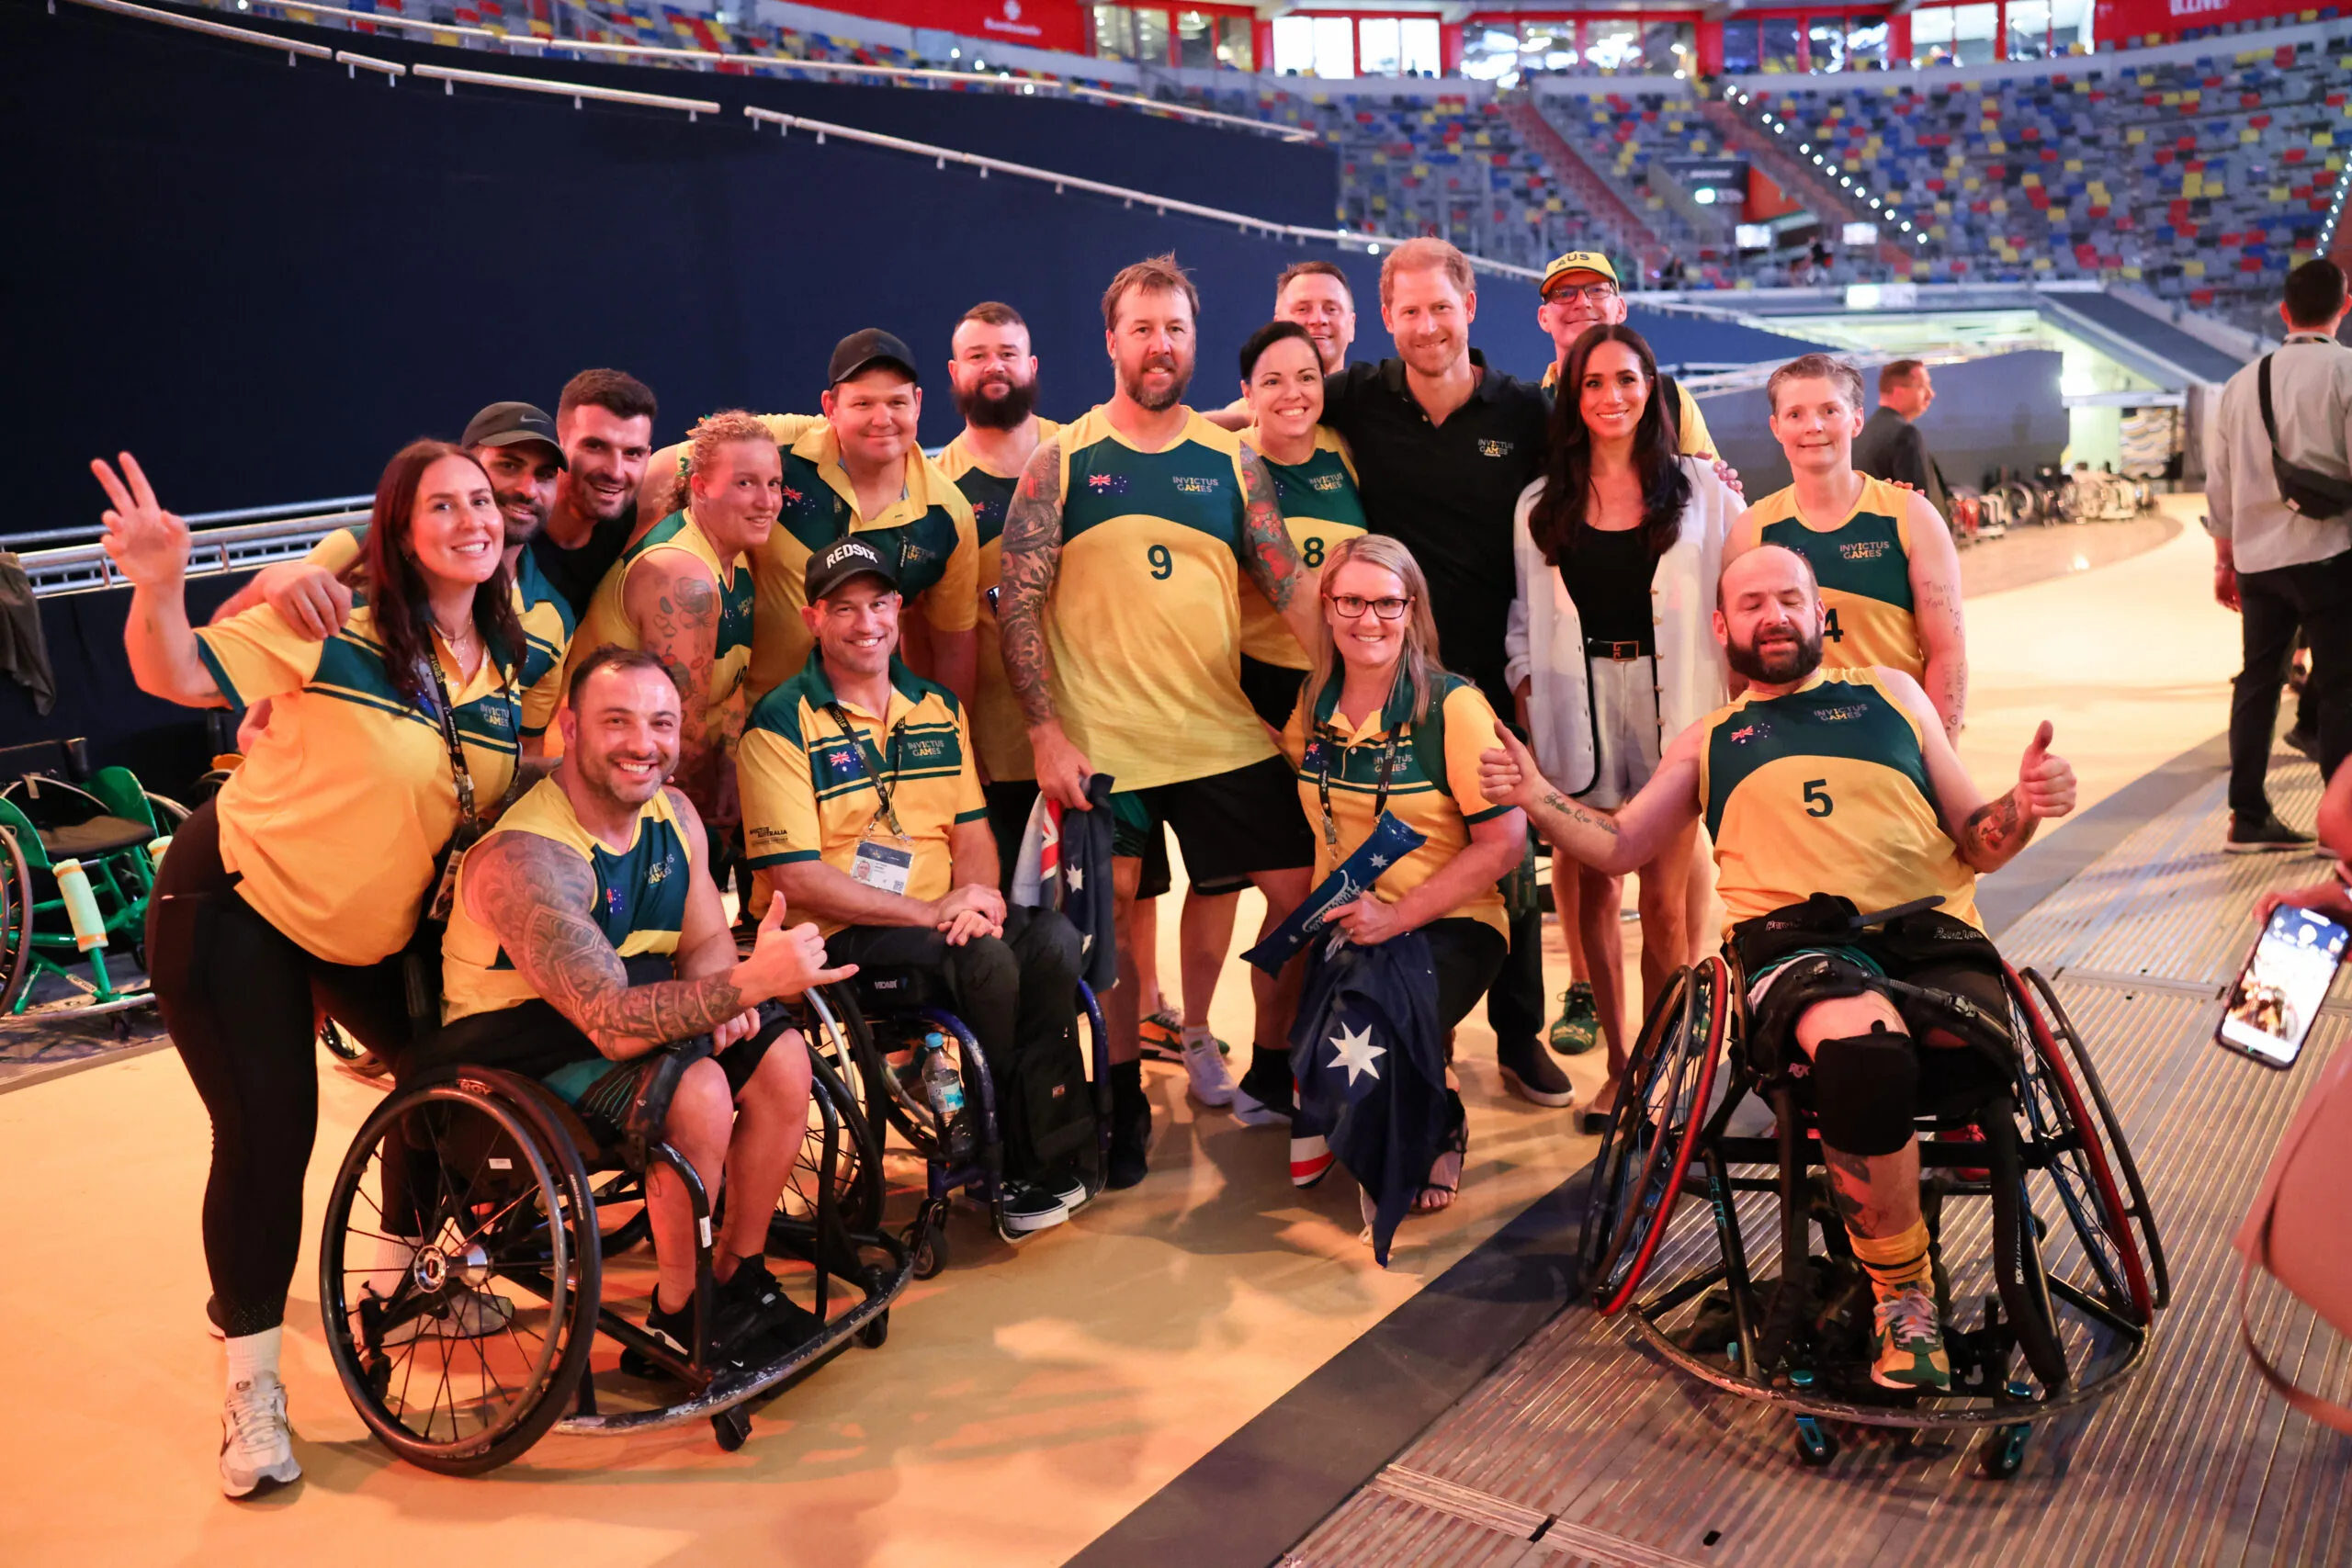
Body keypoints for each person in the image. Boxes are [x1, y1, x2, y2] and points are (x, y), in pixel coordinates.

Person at [1478, 543, 2078, 1393]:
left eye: (1790, 599)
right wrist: (1532, 792)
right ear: (1722, 626)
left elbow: (1979, 839)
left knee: (1957, 1044)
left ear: (1819, 614)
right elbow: (1618, 845)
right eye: (1753, 603)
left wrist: (2025, 804)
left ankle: (1891, 1214)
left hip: (1932, 937)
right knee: (1866, 1052)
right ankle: (1903, 1295)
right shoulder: (1710, 739)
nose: (1774, 615)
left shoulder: (1893, 693)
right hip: (1803, 954)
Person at [96, 441, 527, 1498]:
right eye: (442, 505)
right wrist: (159, 583)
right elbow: (173, 671)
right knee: (268, 1137)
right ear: (400, 532)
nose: (472, 518)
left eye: (481, 500)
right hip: (236, 902)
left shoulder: (510, 658)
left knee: (449, 1077)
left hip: (367, 932)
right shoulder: (332, 626)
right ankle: (251, 1388)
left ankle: (396, 1280)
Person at [998, 253, 1320, 1183]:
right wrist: (1046, 733)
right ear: (1111, 341)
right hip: (1106, 745)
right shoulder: (1062, 461)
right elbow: (1017, 605)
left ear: (1193, 341)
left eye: (1175, 328)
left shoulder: (1232, 460)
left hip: (1218, 731)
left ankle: (1275, 1066)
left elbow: (1292, 590)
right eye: (1142, 328)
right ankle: (1122, 1097)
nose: (1160, 344)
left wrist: (1361, 689)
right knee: (1113, 926)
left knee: (1300, 896)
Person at [436, 647, 852, 1361]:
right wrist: (746, 985)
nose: (643, 743)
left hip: (632, 1009)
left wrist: (727, 994)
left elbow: (706, 941)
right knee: (700, 1089)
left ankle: (738, 1274)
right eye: (617, 721)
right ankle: (678, 1310)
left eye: (661, 723)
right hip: (517, 1049)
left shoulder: (676, 814)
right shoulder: (527, 857)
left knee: (784, 1059)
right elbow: (607, 1022)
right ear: (570, 727)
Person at [739, 537, 1097, 1231]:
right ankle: (1001, 1152)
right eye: (844, 608)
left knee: (1052, 937)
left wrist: (980, 902)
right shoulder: (781, 722)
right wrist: (934, 912)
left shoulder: (938, 706)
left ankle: (1050, 1142)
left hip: (938, 921)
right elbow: (796, 877)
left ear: (899, 609)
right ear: (813, 619)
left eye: (878, 604)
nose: (865, 623)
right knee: (986, 961)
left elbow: (972, 835)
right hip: (841, 936)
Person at [1301, 236, 1576, 1111]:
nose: (1427, 326)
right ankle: (1431, 1023)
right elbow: (1270, 404)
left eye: (1441, 308)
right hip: (1390, 669)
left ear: (1470, 309)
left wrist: (1706, 470)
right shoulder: (1360, 395)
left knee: (1511, 859)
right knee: (1407, 848)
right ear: (1387, 317)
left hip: (1495, 674)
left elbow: (1604, 467)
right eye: (1410, 311)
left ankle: (1519, 1033)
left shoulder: (1523, 412)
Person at [1508, 323, 1737, 1126]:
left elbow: (1744, 582)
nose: (1612, 396)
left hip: (1675, 707)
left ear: (1653, 390)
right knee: (1596, 891)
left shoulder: (1704, 490)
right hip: (1578, 709)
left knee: (1666, 905)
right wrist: (1529, 694)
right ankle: (1619, 1064)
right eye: (1594, 383)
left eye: (1628, 380)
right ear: (1573, 397)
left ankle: (1660, 1065)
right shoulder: (1540, 503)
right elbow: (1523, 617)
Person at [1283, 536, 1526, 1208]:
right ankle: (1400, 1096)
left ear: (1411, 609)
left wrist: (1395, 916)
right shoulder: (1314, 700)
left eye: (1387, 603)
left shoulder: (1453, 707)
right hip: (1349, 919)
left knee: (1374, 1024)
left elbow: (1505, 844)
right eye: (1351, 601)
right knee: (1317, 1035)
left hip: (1451, 920)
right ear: (1327, 607)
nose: (1369, 619)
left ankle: (1440, 1118)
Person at [220, 401, 592, 756]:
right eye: (508, 466)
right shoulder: (357, 551)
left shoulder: (553, 620)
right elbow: (252, 714)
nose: (527, 489)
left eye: (545, 475)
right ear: (465, 468)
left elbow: (522, 753)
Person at [646, 331, 978, 710]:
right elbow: (661, 469)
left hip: (861, 724)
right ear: (830, 407)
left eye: (897, 402)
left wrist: (957, 734)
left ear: (918, 404)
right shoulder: (779, 447)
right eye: (863, 403)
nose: (882, 419)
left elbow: (953, 645)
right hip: (747, 714)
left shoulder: (949, 514)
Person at [1725, 353, 1968, 742]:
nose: (1813, 426)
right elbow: (1740, 664)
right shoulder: (1751, 529)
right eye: (1795, 414)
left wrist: (1941, 752)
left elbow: (1947, 653)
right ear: (1776, 427)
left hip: (1892, 745)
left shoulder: (1910, 516)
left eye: (1829, 411)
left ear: (1856, 420)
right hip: (1795, 747)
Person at [2207, 256, 2352, 852]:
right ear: (2345, 307)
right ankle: (2340, 826)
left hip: (2257, 561)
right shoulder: (2346, 372)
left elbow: (2220, 484)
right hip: (2329, 555)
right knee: (2342, 687)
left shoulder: (2243, 383)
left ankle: (2247, 817)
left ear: (2285, 313)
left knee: (2257, 682)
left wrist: (2224, 560)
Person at [571, 408, 775, 830]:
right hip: (600, 793)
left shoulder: (735, 554)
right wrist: (707, 832)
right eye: (745, 483)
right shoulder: (683, 577)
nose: (766, 501)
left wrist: (731, 768)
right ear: (700, 487)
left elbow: (729, 690)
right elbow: (681, 739)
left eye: (773, 483)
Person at [1534, 252, 1720, 465]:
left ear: (1621, 309)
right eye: (1564, 293)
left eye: (1597, 290)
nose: (1582, 302)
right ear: (1544, 318)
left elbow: (1711, 480)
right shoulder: (1529, 408)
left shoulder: (1670, 399)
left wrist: (1702, 477)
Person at [1853, 359, 1948, 521]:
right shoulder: (1905, 434)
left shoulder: (1863, 433)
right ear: (1899, 392)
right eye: (1923, 386)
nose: (1931, 394)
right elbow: (1918, 504)